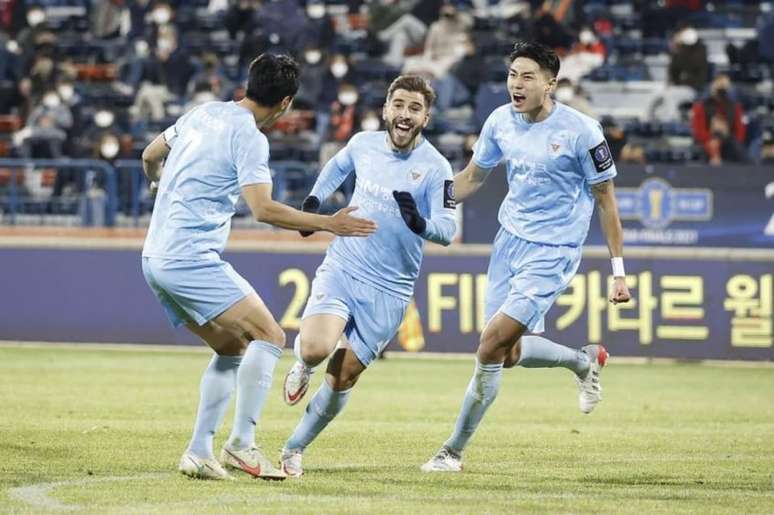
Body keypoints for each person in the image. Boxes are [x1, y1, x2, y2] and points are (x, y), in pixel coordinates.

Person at [140, 53, 377, 481]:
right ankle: (242, 445)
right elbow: (263, 209)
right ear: (285, 103)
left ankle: (198, 451)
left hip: (154, 256)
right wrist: (330, 223)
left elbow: (149, 154)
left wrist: (159, 183)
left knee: (232, 348)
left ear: (248, 83)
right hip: (189, 257)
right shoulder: (250, 137)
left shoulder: (204, 112)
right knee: (269, 335)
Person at [421, 41, 631, 473]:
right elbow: (472, 178)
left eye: (527, 76)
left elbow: (607, 202)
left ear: (550, 83)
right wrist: (425, 203)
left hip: (553, 252)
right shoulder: (500, 121)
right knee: (507, 354)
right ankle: (581, 359)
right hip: (508, 244)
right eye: (512, 74)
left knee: (490, 345)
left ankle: (452, 451)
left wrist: (618, 272)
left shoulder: (582, 132)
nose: (516, 84)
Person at [278, 75, 457, 477]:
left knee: (343, 377)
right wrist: (313, 203)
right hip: (345, 264)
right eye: (398, 105)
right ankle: (303, 365)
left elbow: (448, 230)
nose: (404, 114)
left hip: (391, 289)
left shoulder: (436, 168)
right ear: (386, 109)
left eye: (414, 108)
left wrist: (420, 223)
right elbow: (337, 165)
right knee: (315, 348)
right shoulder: (363, 143)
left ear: (426, 117)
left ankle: (294, 447)